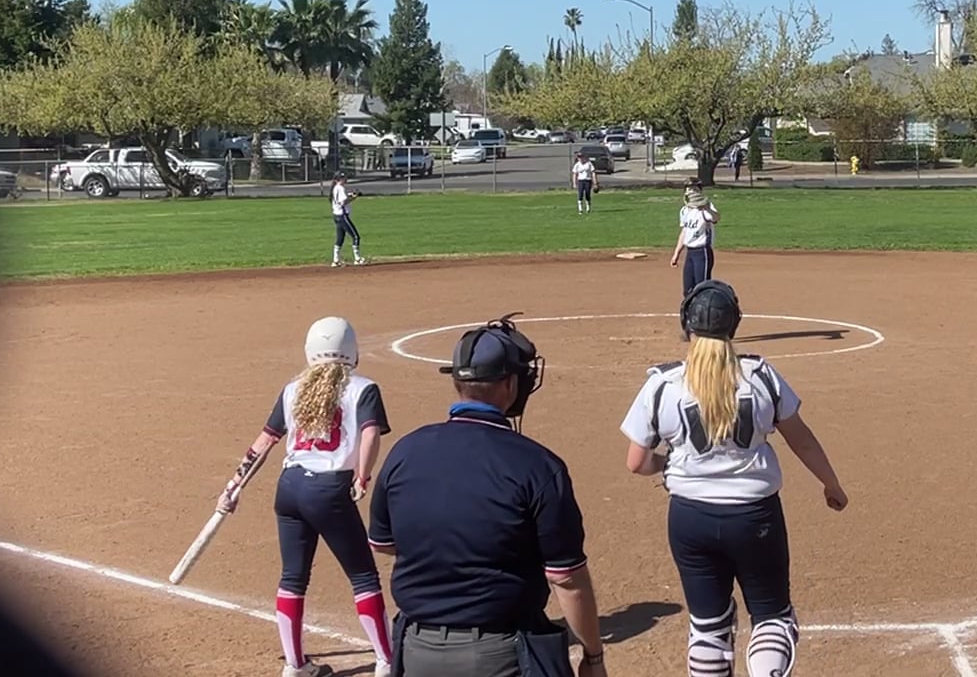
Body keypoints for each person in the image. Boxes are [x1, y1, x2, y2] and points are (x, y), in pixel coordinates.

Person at [619, 280, 848, 677]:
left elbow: (636, 462)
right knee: (772, 617)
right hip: (754, 518)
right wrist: (831, 485)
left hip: (690, 520)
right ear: (734, 325)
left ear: (687, 325)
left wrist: (668, 466)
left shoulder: (662, 384)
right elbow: (803, 441)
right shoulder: (760, 376)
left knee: (708, 627)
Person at [369, 317, 609, 677]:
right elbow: (566, 579)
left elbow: (384, 544)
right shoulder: (538, 466)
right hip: (500, 656)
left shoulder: (405, 451)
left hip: (416, 651)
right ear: (510, 383)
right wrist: (593, 657)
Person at [217, 317, 395, 677]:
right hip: (328, 490)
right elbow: (370, 434)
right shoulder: (363, 388)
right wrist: (362, 475)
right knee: (363, 577)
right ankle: (387, 660)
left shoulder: (293, 390)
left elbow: (265, 442)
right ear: (351, 351)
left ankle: (295, 665)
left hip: (290, 488)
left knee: (292, 577)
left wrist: (234, 486)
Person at [670, 187, 717, 300]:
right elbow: (684, 232)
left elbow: (716, 218)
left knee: (701, 287)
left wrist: (707, 209)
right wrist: (676, 253)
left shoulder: (704, 212)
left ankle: (704, 309)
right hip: (690, 252)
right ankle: (690, 309)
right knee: (688, 288)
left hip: (702, 251)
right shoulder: (686, 211)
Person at [331, 171, 364, 267]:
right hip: (343, 216)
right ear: (338, 179)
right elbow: (343, 202)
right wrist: (354, 197)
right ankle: (357, 259)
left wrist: (351, 195)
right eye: (343, 178)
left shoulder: (335, 188)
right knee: (355, 236)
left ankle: (335, 260)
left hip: (336, 215)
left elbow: (341, 200)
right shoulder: (340, 188)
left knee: (340, 238)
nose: (345, 179)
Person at [572, 150, 597, 214]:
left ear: (584, 157)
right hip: (580, 180)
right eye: (578, 157)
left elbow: (593, 173)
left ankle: (588, 208)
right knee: (580, 194)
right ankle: (580, 209)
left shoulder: (589, 164)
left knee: (587, 194)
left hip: (588, 180)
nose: (580, 158)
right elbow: (574, 174)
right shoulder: (577, 165)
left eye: (581, 157)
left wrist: (595, 183)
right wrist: (574, 183)